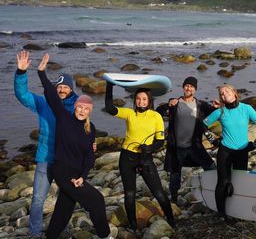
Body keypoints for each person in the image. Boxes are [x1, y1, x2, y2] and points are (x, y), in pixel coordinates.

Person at [37, 55, 112, 239]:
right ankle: (105, 236)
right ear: (75, 106)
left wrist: (82, 176)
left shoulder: (90, 129)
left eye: (86, 109)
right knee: (96, 200)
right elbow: (51, 94)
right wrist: (41, 73)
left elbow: (89, 156)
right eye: (80, 107)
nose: (82, 110)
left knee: (65, 206)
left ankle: (51, 235)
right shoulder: (63, 117)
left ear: (89, 111)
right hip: (63, 171)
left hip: (77, 174)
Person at [14, 50, 78, 238]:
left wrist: (91, 145)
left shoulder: (78, 108)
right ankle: (34, 233)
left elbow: (85, 130)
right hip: (45, 159)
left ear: (71, 89)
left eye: (65, 87)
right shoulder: (44, 104)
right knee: (37, 200)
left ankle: (61, 229)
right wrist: (21, 73)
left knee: (64, 199)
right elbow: (23, 95)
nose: (61, 90)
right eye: (58, 87)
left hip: (66, 162)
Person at [105, 82, 175, 231]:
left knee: (158, 192)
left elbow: (160, 141)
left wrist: (149, 148)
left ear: (149, 101)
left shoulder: (156, 116)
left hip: (146, 157)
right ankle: (133, 226)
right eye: (138, 99)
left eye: (144, 99)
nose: (141, 102)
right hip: (127, 157)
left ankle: (171, 220)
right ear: (135, 100)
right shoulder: (130, 113)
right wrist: (110, 86)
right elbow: (110, 108)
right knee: (130, 193)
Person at [203, 84, 256, 219]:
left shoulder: (246, 109)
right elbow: (202, 125)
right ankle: (221, 214)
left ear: (235, 93)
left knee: (240, 182)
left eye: (226, 91)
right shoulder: (220, 111)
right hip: (225, 151)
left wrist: (255, 144)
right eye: (221, 93)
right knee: (223, 182)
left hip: (242, 151)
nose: (224, 94)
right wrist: (213, 141)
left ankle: (239, 211)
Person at [156, 76, 216, 203]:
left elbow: (216, 114)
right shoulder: (175, 103)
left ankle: (213, 192)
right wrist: (168, 104)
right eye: (187, 86)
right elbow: (158, 112)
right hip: (176, 147)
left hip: (195, 146)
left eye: (192, 87)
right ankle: (174, 199)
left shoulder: (201, 105)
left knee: (211, 168)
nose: (189, 88)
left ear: (195, 90)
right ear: (183, 87)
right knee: (175, 174)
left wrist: (216, 107)